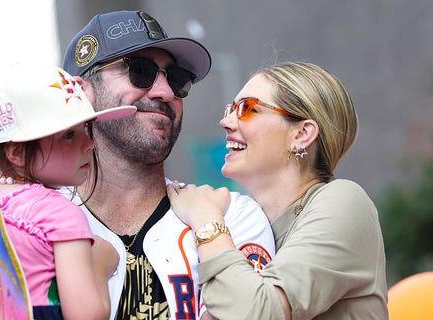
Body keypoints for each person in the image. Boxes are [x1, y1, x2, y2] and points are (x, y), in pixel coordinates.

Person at [62, 10, 276, 320]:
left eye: (177, 79)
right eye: (140, 72)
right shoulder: (32, 227)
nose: (165, 92)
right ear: (82, 93)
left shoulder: (232, 216)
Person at [167, 62, 389, 319]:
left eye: (247, 108)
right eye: (230, 109)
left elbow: (260, 311)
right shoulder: (245, 222)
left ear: (301, 134)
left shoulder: (345, 201)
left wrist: (206, 220)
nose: (225, 122)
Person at [0, 64, 136, 319]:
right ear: (18, 153)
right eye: (69, 135)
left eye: (85, 129)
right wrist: (100, 268)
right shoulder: (58, 214)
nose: (89, 143)